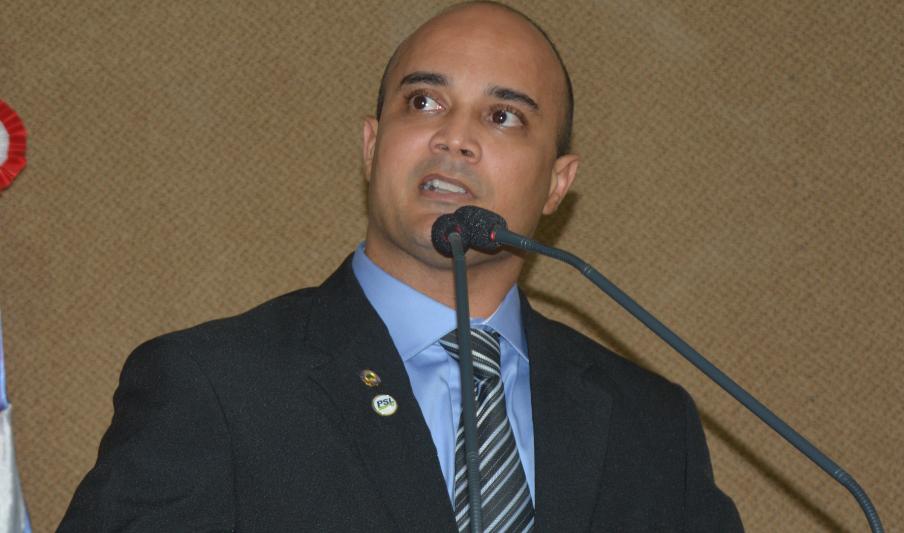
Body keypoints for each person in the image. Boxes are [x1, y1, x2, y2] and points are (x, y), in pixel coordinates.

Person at [59, 2, 742, 531]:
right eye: (424, 102)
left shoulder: (652, 427)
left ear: (558, 184)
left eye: (504, 116)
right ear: (372, 144)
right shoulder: (215, 387)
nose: (455, 137)